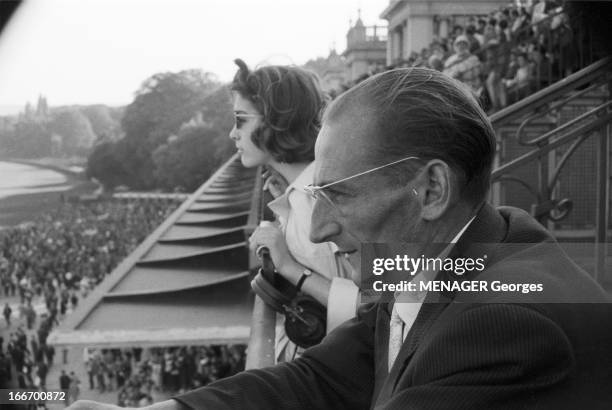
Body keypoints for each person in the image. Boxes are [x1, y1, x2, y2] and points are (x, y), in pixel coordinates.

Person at [67, 68, 612, 409]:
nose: (318, 228)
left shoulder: (502, 322)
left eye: (339, 196)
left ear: (431, 189)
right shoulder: (459, 252)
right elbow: (316, 380)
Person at [231, 59, 354, 361]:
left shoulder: (324, 197)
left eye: (240, 120)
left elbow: (386, 303)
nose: (232, 134)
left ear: (276, 120)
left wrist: (289, 268)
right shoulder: (302, 191)